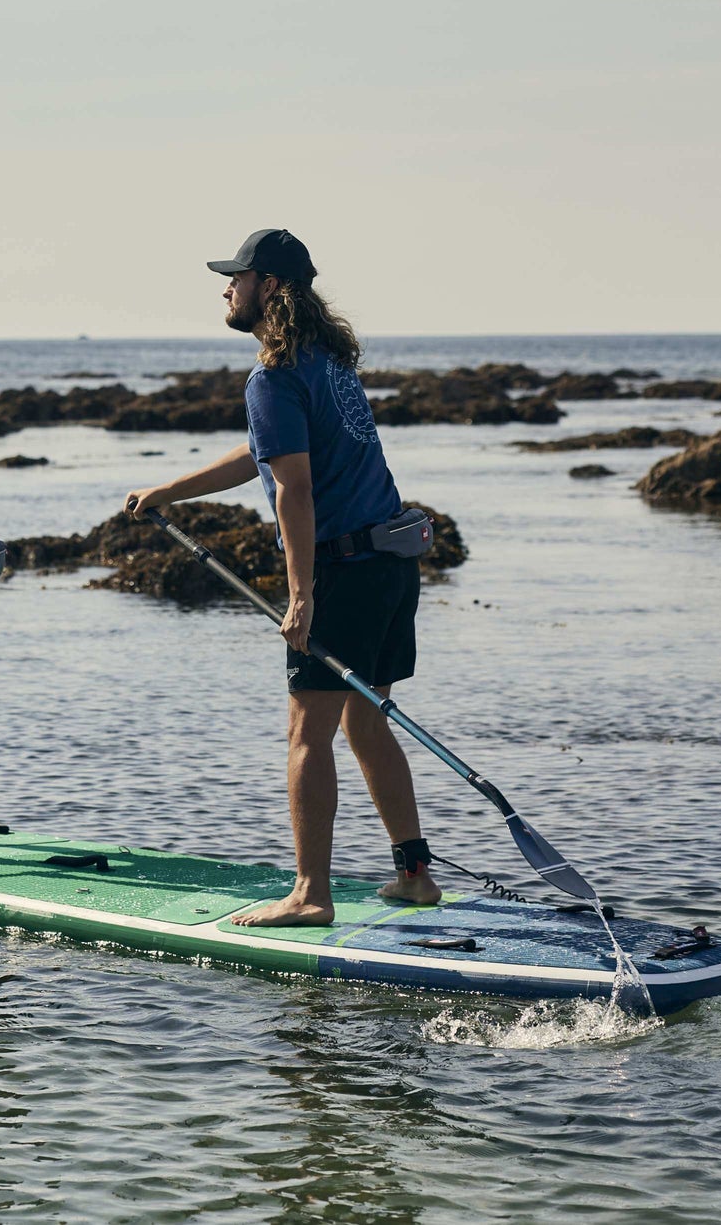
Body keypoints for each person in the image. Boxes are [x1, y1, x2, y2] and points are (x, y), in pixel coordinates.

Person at [125, 228, 440, 927]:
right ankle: (414, 874)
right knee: (366, 723)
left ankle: (309, 892)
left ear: (269, 286)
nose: (226, 288)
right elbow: (262, 455)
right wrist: (169, 492)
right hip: (390, 566)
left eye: (236, 276)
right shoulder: (326, 363)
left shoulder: (274, 375)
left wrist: (301, 596)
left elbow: (292, 489)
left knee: (308, 734)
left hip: (344, 574)